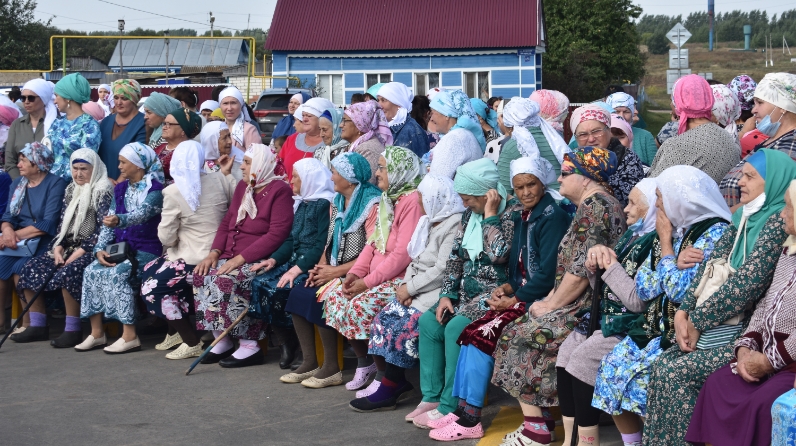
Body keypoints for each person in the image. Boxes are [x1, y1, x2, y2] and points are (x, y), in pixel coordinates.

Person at [642, 149, 796, 445]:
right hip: (732, 330)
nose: (740, 181)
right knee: (663, 366)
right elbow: (711, 266)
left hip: (738, 330)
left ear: (775, 182)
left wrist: (697, 320)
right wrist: (683, 312)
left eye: (751, 176)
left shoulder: (778, 225)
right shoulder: (744, 218)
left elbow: (747, 285)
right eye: (742, 173)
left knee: (676, 372)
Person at [423, 156, 571, 440]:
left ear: (543, 183)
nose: (526, 192)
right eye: (519, 187)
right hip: (522, 295)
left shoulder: (550, 217)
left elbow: (546, 273)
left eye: (532, 184)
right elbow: (518, 266)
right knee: (472, 334)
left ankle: (471, 418)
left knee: (480, 336)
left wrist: (515, 297)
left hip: (542, 299)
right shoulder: (527, 214)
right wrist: (509, 289)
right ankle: (463, 413)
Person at [488, 147, 625, 446]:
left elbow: (580, 274)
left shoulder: (598, 207)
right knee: (516, 325)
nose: (559, 179)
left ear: (587, 178)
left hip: (592, 308)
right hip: (579, 301)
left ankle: (538, 427)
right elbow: (569, 269)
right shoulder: (590, 205)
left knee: (519, 333)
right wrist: (546, 300)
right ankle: (541, 422)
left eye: (566, 173)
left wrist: (550, 304)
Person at [588, 166, 731, 446]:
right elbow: (645, 284)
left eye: (661, 197)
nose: (659, 205)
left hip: (688, 333)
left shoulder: (713, 234)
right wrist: (672, 263)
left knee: (642, 385)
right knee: (610, 368)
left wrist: (666, 248)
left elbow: (678, 290)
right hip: (657, 327)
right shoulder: (683, 231)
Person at [686, 178, 796, 445]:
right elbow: (765, 305)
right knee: (718, 384)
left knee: (761, 404)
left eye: (789, 207)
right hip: (765, 353)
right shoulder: (789, 248)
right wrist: (745, 347)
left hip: (790, 363)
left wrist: (770, 361)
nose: (782, 214)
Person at [412, 158, 519, 428]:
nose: (464, 204)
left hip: (494, 295)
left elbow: (499, 255)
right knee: (429, 322)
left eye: (469, 198)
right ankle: (432, 398)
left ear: (488, 193)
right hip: (465, 294)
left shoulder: (511, 215)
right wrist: (446, 294)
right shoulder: (469, 215)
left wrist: (491, 216)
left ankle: (451, 405)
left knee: (455, 327)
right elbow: (455, 258)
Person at [554, 178, 659, 446]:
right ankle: (570, 440)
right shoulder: (632, 234)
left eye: (634, 203)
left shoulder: (654, 242)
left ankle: (588, 442)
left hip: (634, 324)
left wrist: (609, 265)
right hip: (608, 318)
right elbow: (605, 290)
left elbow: (637, 302)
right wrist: (594, 269)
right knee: (566, 352)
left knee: (583, 359)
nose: (625, 208)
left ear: (654, 208)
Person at [349, 174, 464, 412]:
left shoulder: (453, 224)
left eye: (423, 198)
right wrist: (406, 287)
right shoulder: (430, 220)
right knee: (384, 318)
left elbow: (443, 270)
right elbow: (414, 258)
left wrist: (410, 288)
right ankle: (390, 380)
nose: (420, 203)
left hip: (435, 291)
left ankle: (391, 386)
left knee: (405, 325)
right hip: (415, 287)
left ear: (437, 198)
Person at [320, 146, 422, 391]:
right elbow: (372, 243)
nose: (377, 174)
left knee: (360, 304)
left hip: (400, 278)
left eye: (382, 168)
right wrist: (355, 274)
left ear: (398, 171)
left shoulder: (411, 202)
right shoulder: (389, 199)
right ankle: (366, 363)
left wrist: (366, 283)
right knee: (335, 296)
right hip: (376, 275)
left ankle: (385, 375)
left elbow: (400, 256)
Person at [278, 152, 380, 386]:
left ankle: (332, 367)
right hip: (336, 267)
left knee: (322, 295)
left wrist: (334, 273)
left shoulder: (372, 204)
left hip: (361, 271)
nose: (331, 177)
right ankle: (310, 361)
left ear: (350, 178)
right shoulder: (337, 201)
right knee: (301, 289)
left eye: (336, 172)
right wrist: (321, 267)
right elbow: (329, 242)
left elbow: (372, 250)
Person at [192, 144, 293, 368]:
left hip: (259, 258)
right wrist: (214, 253)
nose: (243, 166)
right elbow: (228, 221)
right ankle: (223, 339)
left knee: (232, 280)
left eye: (247, 162)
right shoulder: (244, 187)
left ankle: (250, 345)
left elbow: (278, 233)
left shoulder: (279, 190)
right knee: (202, 275)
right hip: (231, 253)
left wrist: (241, 259)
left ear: (260, 165)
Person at [140, 140, 234, 360]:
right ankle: (174, 332)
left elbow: (166, 236)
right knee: (150, 269)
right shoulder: (219, 179)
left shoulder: (173, 191)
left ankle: (190, 340)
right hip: (218, 250)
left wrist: (175, 241)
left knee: (152, 288)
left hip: (192, 257)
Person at [15, 149, 112, 346]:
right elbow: (61, 226)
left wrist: (79, 252)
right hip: (68, 247)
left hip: (92, 249)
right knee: (30, 268)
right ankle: (38, 325)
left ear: (95, 169)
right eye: (75, 168)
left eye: (84, 169)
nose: (78, 174)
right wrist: (58, 247)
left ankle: (73, 329)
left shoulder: (103, 191)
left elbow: (102, 230)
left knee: (69, 272)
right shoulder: (71, 190)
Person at [78, 142, 164, 353]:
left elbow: (141, 215)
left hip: (146, 249)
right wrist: (99, 249)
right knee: (91, 271)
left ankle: (130, 336)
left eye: (123, 162)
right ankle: (97, 333)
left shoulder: (156, 190)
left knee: (119, 273)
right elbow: (108, 222)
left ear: (138, 165)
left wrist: (119, 220)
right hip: (121, 248)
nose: (120, 167)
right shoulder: (121, 188)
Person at [249, 158, 333, 369]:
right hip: (294, 262)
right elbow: (290, 240)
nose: (291, 180)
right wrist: (273, 259)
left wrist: (297, 269)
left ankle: (301, 345)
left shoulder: (324, 204)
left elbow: (321, 245)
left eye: (296, 176)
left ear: (310, 179)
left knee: (286, 288)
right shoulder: (302, 202)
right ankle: (287, 341)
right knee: (260, 283)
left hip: (310, 264)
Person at [0, 143, 67, 338]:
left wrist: (14, 236)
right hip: (19, 242)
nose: (18, 164)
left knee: (21, 268)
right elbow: (8, 216)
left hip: (44, 241)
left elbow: (48, 222)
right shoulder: (18, 184)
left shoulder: (55, 183)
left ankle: (31, 323)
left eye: (24, 160)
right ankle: (1, 323)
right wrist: (7, 231)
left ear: (38, 165)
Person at [720, 73, 796, 211]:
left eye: (760, 103)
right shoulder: (774, 139)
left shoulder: (790, 144)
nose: (753, 110)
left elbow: (767, 197)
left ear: (783, 106)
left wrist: (723, 218)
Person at [649, 74, 741, 184]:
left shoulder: (677, 146)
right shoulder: (730, 139)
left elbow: (651, 189)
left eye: (673, 100)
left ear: (678, 104)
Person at [570, 104, 645, 207]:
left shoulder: (627, 158)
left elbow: (633, 200)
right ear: (576, 138)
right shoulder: (572, 161)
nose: (591, 139)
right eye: (583, 135)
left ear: (609, 131)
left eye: (596, 131)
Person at [496, 97, 570, 195]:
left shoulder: (513, 146)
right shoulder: (554, 138)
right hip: (565, 200)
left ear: (509, 123)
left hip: (533, 205)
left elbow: (503, 192)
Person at [48, 73, 101, 182]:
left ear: (67, 98)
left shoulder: (90, 126)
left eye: (57, 96)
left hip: (74, 187)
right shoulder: (57, 123)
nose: (55, 101)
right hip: (51, 185)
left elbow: (86, 162)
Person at [5, 79, 58, 179]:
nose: (26, 102)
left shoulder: (56, 124)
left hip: (50, 184)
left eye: (31, 98)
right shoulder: (17, 125)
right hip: (21, 184)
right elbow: (10, 161)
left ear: (43, 99)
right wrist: (21, 183)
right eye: (23, 98)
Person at [97, 80, 146, 183]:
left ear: (134, 99)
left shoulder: (143, 123)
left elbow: (137, 158)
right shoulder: (106, 122)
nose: (118, 103)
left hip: (127, 185)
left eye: (124, 98)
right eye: (116, 98)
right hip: (103, 183)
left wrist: (118, 185)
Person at [427, 91, 484, 179]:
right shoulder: (465, 134)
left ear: (446, 115)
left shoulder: (454, 139)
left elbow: (438, 181)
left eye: (433, 113)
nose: (431, 118)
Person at [279, 97, 334, 181]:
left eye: (309, 116)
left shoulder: (331, 143)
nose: (304, 119)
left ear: (322, 119)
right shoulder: (292, 139)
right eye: (303, 115)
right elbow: (279, 167)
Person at [339, 100, 392, 183]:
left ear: (359, 125)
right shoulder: (358, 145)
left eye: (345, 120)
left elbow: (365, 184)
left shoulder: (368, 149)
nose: (341, 125)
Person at [377, 82, 430, 158]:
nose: (379, 105)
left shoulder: (412, 131)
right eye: (378, 100)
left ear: (398, 102)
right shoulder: (384, 128)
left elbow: (420, 165)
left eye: (383, 100)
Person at [605, 92, 657, 166]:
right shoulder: (602, 136)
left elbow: (654, 168)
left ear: (632, 113)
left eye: (626, 112)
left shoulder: (645, 136)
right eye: (616, 111)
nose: (621, 116)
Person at [154, 107, 202, 185]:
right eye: (164, 123)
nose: (164, 127)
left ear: (183, 130)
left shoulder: (188, 152)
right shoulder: (159, 147)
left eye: (169, 124)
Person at [218, 86, 261, 157]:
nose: (229, 108)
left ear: (241, 105)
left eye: (233, 103)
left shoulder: (249, 130)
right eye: (225, 103)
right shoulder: (218, 128)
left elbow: (255, 158)